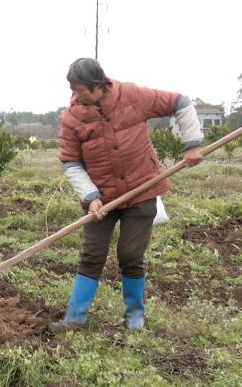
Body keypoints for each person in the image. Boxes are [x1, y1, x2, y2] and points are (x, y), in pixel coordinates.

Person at [52, 58, 203, 330]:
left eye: (80, 90)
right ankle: (74, 318)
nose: (75, 96)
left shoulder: (131, 96)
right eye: (72, 90)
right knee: (91, 255)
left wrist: (191, 144)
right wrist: (91, 197)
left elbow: (180, 101)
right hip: (102, 199)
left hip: (142, 190)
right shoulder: (71, 118)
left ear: (98, 85)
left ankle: (135, 315)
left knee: (131, 255)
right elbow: (71, 162)